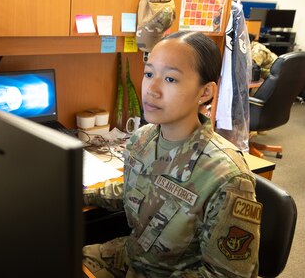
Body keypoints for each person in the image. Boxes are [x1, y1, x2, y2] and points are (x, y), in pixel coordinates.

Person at [83, 31, 261, 277]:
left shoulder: (228, 177)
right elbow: (129, 191)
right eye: (148, 74)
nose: (151, 89)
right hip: (130, 258)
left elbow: (226, 274)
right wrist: (77, 194)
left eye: (170, 79)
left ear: (205, 92)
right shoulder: (142, 138)